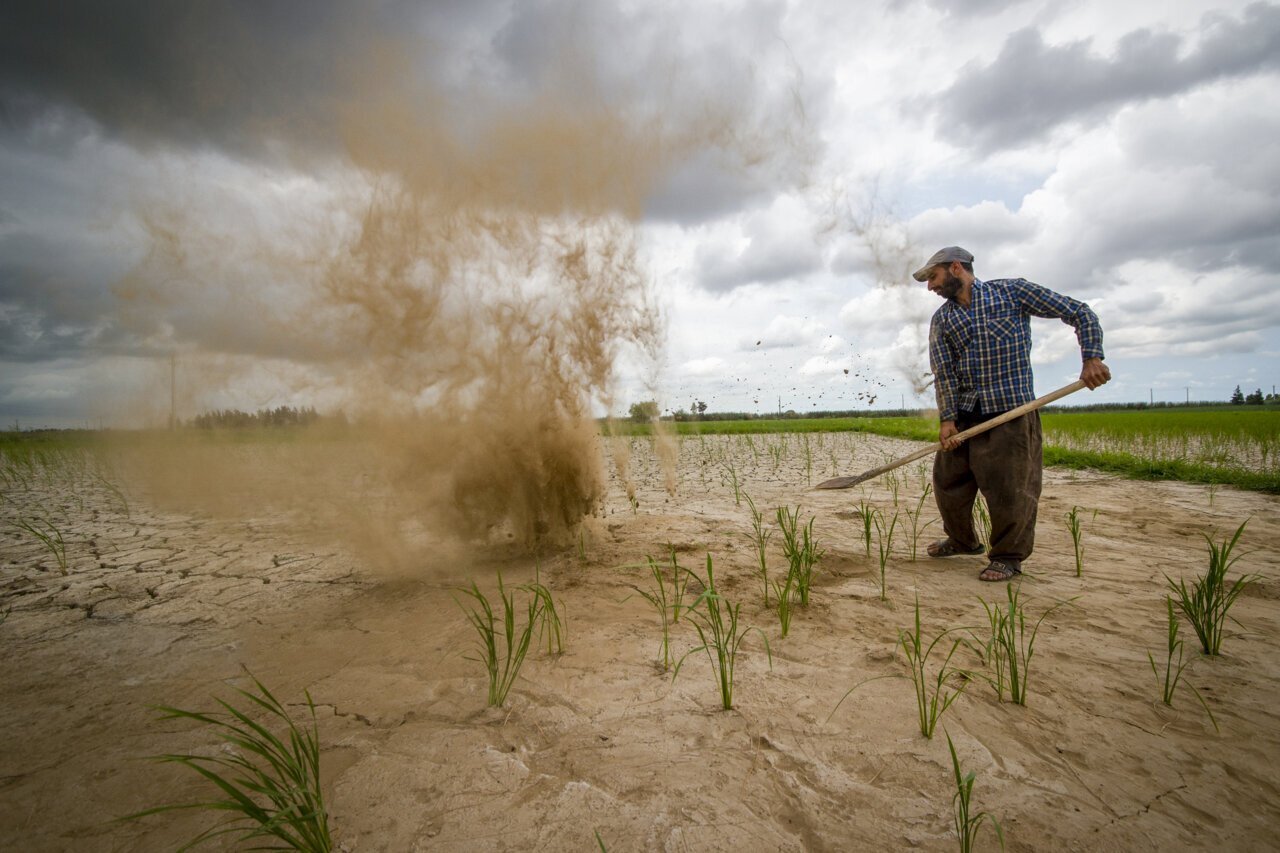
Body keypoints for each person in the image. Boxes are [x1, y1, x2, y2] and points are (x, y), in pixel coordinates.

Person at [913, 246, 1111, 581]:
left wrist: (1092, 357)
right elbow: (943, 372)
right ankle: (963, 540)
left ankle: (1007, 557)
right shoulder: (943, 319)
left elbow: (1079, 311)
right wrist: (947, 420)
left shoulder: (1012, 293)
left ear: (956, 268)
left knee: (1010, 489)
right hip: (965, 415)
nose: (930, 286)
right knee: (948, 483)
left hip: (1011, 412)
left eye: (933, 277)